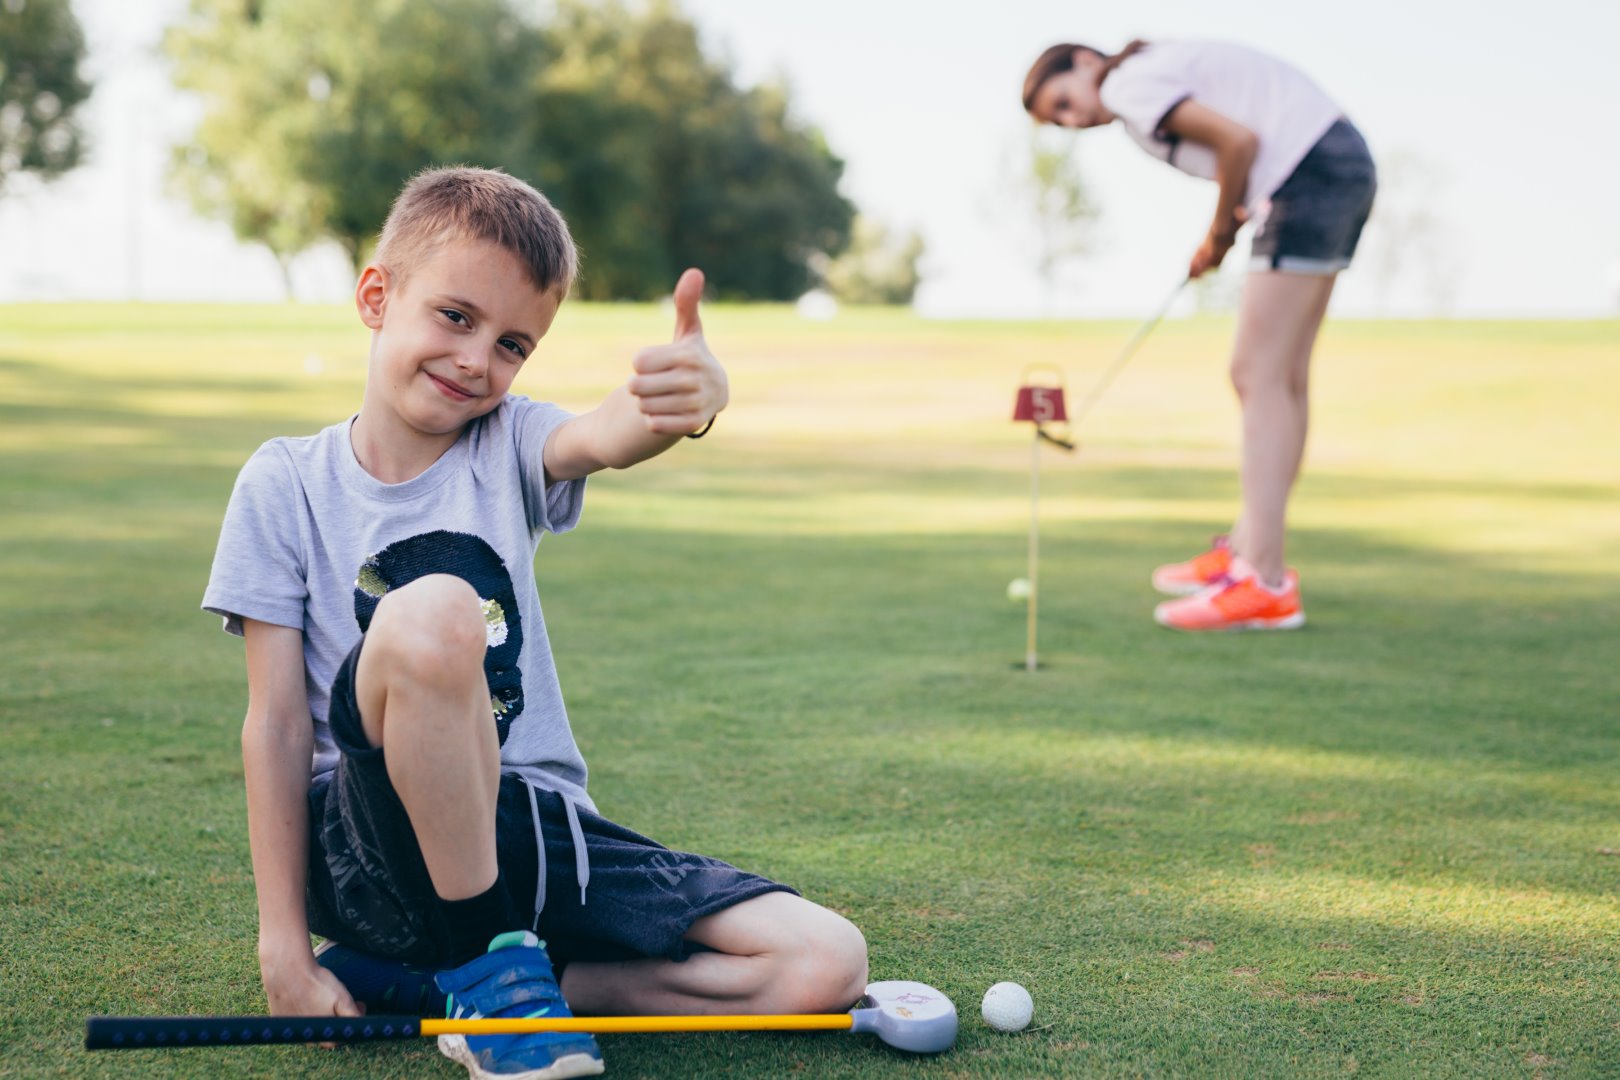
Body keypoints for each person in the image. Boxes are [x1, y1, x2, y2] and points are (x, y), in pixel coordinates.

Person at [202, 166, 868, 1080]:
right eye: (455, 317)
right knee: (435, 606)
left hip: (530, 824)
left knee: (825, 962)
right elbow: (276, 725)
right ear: (376, 296)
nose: (478, 360)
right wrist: (282, 946)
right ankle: (496, 983)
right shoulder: (283, 483)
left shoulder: (509, 442)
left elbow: (603, 432)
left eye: (513, 343)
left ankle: (472, 984)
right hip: (365, 851)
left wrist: (681, 404)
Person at [1023, 40, 1376, 631]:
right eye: (1058, 120)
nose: (1072, 119)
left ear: (1085, 62)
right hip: (1334, 166)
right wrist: (1227, 224)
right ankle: (1248, 553)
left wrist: (1217, 236)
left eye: (1063, 101)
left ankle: (1262, 580)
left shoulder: (1124, 84)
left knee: (1256, 374)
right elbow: (1239, 147)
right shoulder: (1143, 82)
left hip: (1307, 175)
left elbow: (1239, 142)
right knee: (1282, 377)